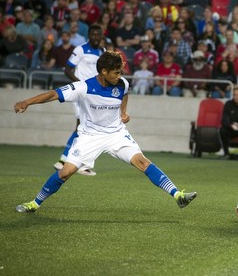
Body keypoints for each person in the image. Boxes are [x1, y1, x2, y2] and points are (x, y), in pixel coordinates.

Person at [13, 51, 197, 213]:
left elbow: (125, 94)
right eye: (116, 72)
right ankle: (34, 204)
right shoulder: (83, 87)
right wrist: (27, 102)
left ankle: (177, 195)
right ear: (104, 72)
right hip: (89, 137)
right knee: (65, 172)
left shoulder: (122, 84)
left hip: (116, 134)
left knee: (142, 162)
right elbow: (53, 94)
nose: (119, 76)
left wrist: (123, 113)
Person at [53, 24, 104, 176]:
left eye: (98, 34)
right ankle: (64, 161)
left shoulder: (103, 51)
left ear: (101, 36)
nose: (96, 37)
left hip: (94, 95)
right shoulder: (80, 49)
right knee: (81, 125)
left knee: (88, 127)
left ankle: (77, 162)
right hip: (82, 93)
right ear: (89, 35)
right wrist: (80, 84)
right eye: (93, 34)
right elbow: (67, 70)